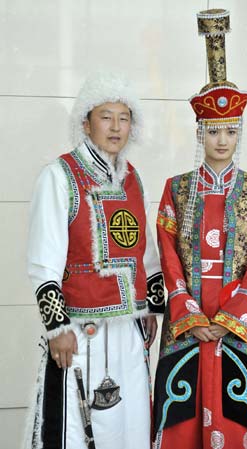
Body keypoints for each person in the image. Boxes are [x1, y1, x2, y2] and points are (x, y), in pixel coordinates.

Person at [153, 9, 247, 449]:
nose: (222, 140)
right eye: (213, 130)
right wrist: (190, 317)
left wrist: (232, 318)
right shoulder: (176, 190)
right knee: (182, 422)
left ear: (239, 132)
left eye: (230, 130)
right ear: (200, 132)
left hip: (241, 327)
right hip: (187, 327)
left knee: (243, 422)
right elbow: (168, 258)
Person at [25, 71, 165, 449]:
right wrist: (58, 328)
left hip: (130, 332)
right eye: (106, 116)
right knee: (77, 430)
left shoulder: (134, 179)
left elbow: (146, 252)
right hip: (80, 331)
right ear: (86, 122)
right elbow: (44, 260)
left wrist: (151, 307)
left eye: (124, 117)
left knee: (132, 426)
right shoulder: (59, 176)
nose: (115, 127)